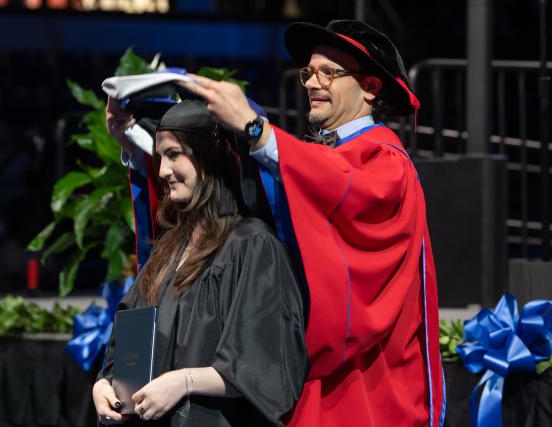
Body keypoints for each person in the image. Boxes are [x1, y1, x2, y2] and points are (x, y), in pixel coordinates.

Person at [179, 20, 445, 427]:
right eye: (308, 72)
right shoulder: (321, 160)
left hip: (367, 387)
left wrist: (256, 129)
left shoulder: (384, 162)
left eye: (328, 73)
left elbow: (338, 185)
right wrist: (135, 137)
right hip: (315, 384)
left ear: (371, 87)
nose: (310, 83)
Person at [92, 100, 308, 426]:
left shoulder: (251, 245)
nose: (163, 171)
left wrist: (183, 382)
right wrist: (104, 383)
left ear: (207, 156)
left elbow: (265, 366)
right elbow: (127, 339)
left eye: (174, 155)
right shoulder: (169, 246)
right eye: (160, 157)